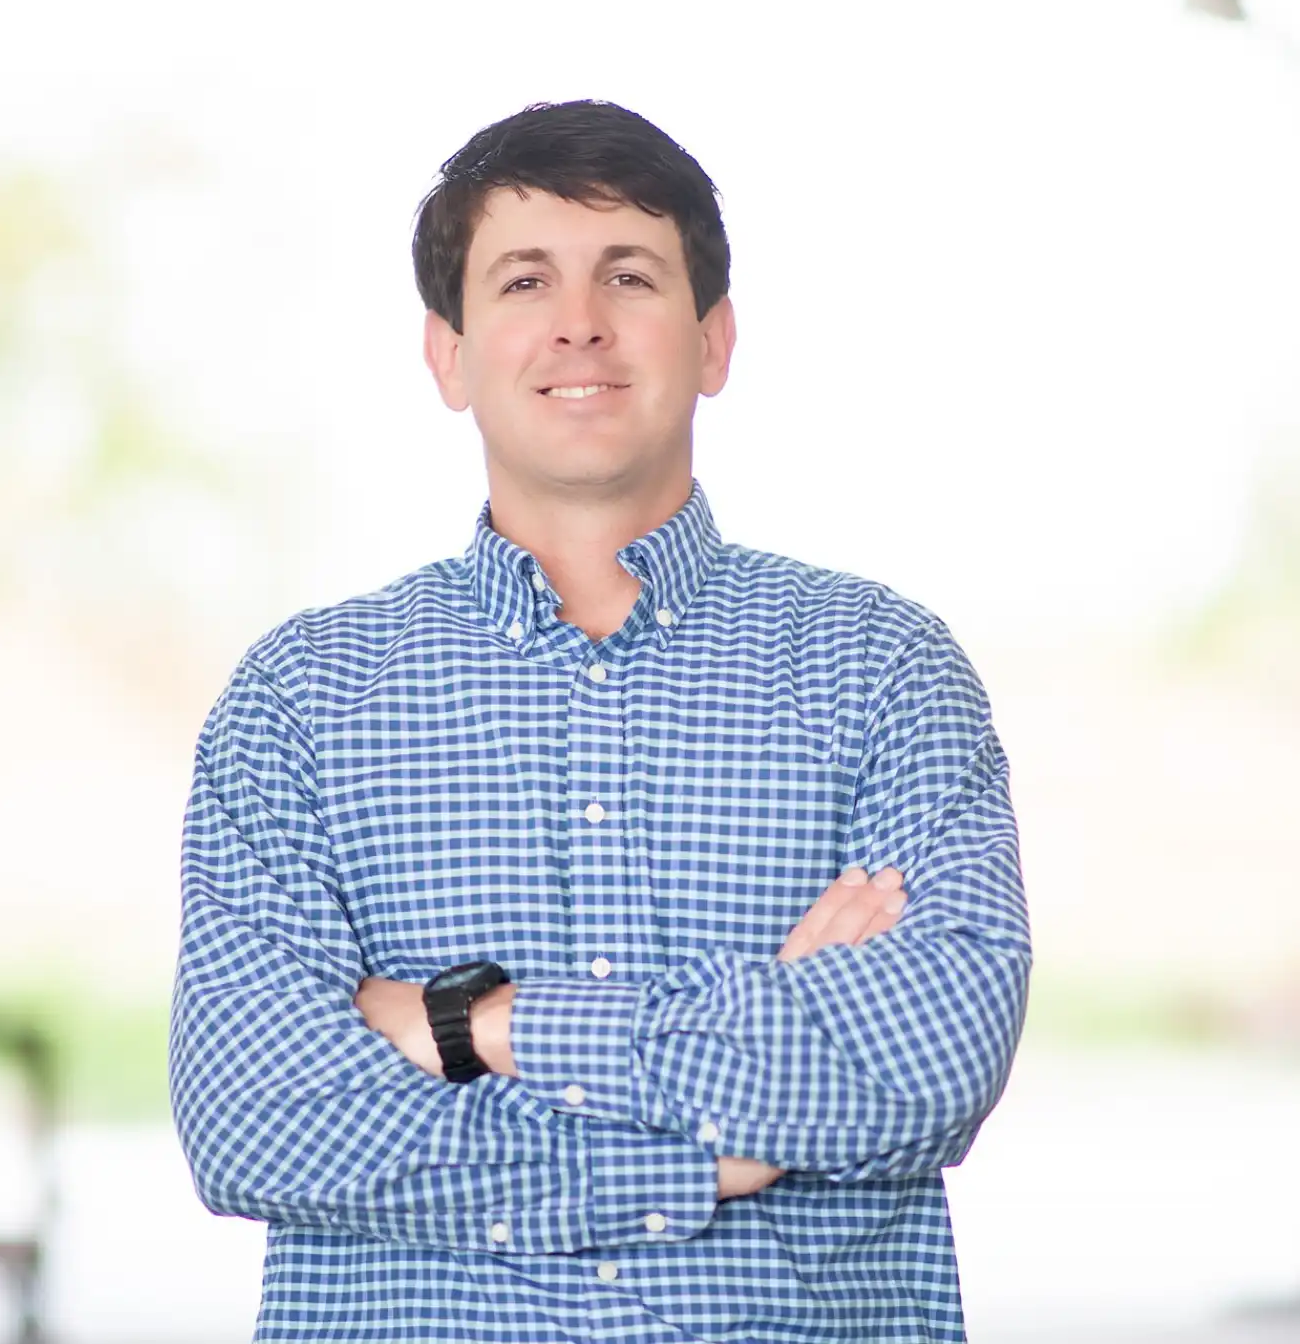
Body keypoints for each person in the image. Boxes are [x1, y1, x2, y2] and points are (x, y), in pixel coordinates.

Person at [169, 98, 1032, 1344]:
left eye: (628, 274)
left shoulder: (880, 667)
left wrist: (478, 1022)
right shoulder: (300, 700)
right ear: (447, 354)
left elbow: (924, 1063)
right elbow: (258, 1118)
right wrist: (703, 1149)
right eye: (523, 280)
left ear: (713, 340)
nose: (578, 319)